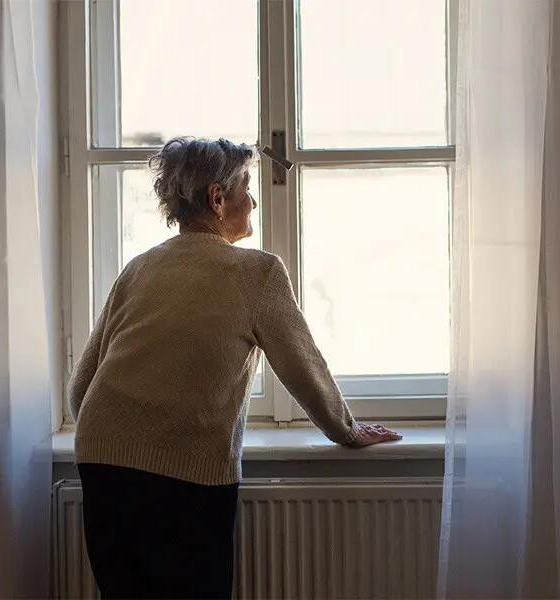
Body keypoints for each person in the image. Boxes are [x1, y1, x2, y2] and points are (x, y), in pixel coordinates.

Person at [68, 137, 401, 599]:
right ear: (217, 199)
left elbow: (82, 387)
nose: (256, 199)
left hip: (102, 460)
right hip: (184, 470)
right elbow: (301, 364)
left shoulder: (139, 268)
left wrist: (118, 434)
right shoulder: (255, 272)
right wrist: (347, 430)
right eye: (247, 186)